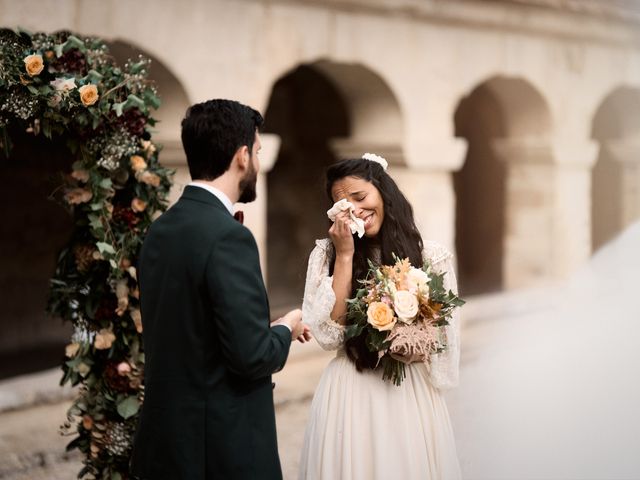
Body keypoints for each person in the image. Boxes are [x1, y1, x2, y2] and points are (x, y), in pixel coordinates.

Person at [130, 99, 309, 480]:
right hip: (220, 452)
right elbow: (252, 357)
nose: (258, 163)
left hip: (165, 448)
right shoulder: (229, 238)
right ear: (242, 156)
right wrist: (286, 326)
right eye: (258, 152)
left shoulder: (159, 231)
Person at [298, 156, 461, 479]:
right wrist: (344, 254)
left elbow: (445, 340)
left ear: (383, 192)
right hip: (351, 391)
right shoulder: (325, 256)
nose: (355, 210)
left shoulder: (430, 256)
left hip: (409, 391)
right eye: (342, 204)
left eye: (360, 197)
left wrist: (415, 346)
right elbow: (330, 336)